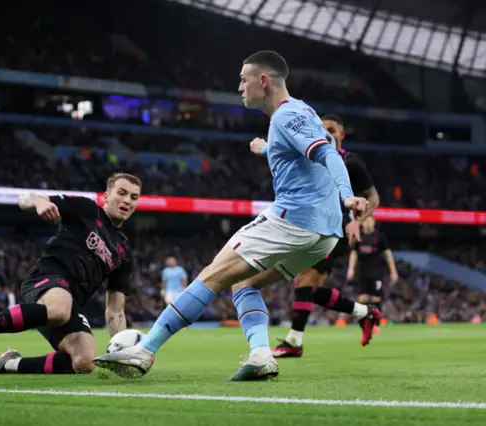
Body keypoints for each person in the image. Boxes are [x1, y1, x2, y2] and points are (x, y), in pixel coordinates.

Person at [93, 50, 369, 381]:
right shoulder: (301, 111)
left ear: (263, 81)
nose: (239, 86)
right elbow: (306, 151)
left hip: (293, 220)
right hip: (325, 235)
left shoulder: (285, 115)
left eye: (243, 79)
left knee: (211, 275)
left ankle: (145, 350)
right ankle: (261, 355)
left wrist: (347, 193)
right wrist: (266, 149)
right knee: (243, 284)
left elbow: (326, 153)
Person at [0, 173, 141, 375]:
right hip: (46, 277)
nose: (127, 200)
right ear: (106, 195)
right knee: (59, 309)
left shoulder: (124, 251)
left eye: (133, 197)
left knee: (83, 361)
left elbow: (115, 311)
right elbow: (26, 198)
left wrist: (122, 350)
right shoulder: (86, 209)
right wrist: (40, 202)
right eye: (121, 192)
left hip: (70, 303)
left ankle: (9, 364)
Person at [237, 114, 381, 359]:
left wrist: (358, 221)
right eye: (323, 130)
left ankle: (294, 341)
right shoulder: (310, 157)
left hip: (336, 230)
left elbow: (373, 198)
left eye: (333, 130)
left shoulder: (352, 163)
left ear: (342, 135)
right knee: (307, 288)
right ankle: (363, 312)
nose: (328, 134)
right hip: (310, 226)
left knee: (304, 281)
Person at [347, 216, 399, 333]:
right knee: (362, 298)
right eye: (366, 220)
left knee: (376, 298)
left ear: (374, 222)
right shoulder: (358, 236)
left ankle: (376, 324)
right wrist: (351, 269)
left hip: (377, 272)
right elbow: (354, 253)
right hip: (362, 272)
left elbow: (388, 254)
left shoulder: (380, 236)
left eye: (370, 220)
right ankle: (364, 323)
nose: (368, 223)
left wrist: (393, 271)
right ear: (362, 222)